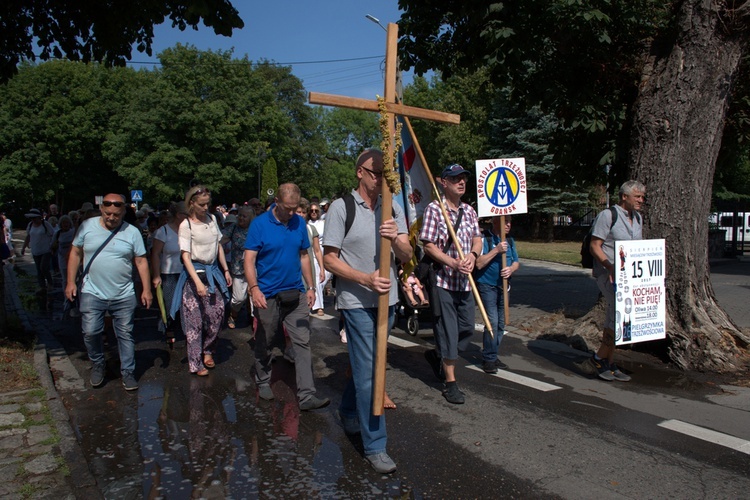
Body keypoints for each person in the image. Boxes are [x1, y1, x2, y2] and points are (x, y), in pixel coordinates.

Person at [323, 149, 412, 474]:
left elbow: (406, 253)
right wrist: (364, 279)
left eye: (385, 173)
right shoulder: (340, 207)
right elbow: (329, 259)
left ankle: (348, 412)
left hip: (388, 302)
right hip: (357, 302)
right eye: (376, 172)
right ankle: (375, 445)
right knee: (371, 372)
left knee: (366, 365)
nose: (382, 178)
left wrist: (396, 240)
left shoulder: (393, 208)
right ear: (360, 172)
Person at [244, 183, 330, 411]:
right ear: (277, 202)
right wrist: (254, 288)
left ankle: (307, 396)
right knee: (266, 340)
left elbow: (304, 256)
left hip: (296, 293)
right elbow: (249, 259)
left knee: (302, 342)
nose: (292, 213)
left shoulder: (299, 223)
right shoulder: (260, 224)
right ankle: (263, 380)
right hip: (268, 294)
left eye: (295, 208)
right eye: (287, 208)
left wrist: (310, 287)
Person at [65, 194, 153, 390]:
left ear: (123, 212)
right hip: (92, 290)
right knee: (90, 331)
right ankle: (98, 363)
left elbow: (141, 261)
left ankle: (128, 372)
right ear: (101, 210)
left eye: (116, 214)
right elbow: (75, 253)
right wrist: (70, 282)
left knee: (125, 334)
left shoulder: (132, 232)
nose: (111, 217)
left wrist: (146, 289)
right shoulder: (87, 227)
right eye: (108, 213)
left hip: (123, 293)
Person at [419, 164, 483, 404]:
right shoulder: (435, 210)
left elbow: (478, 239)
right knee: (448, 330)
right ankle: (450, 382)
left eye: (464, 178)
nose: (461, 182)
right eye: (455, 178)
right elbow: (428, 245)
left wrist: (473, 256)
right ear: (443, 182)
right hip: (444, 280)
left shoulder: (469, 211)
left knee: (467, 328)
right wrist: (452, 263)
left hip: (466, 283)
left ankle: (440, 355)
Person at [580, 180, 646, 382]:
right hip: (607, 275)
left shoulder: (638, 218)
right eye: (637, 196)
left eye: (642, 197)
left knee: (617, 318)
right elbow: (595, 246)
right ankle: (598, 358)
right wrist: (609, 266)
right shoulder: (608, 216)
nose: (641, 200)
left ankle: (606, 360)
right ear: (624, 196)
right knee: (616, 317)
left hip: (629, 279)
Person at [171, 186, 231, 376]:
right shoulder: (186, 225)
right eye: (202, 204)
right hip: (194, 275)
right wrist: (197, 282)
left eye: (208, 204)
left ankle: (208, 350)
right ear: (192, 204)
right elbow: (186, 257)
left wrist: (226, 270)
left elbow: (218, 246)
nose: (206, 207)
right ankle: (196, 363)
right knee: (194, 322)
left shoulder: (213, 219)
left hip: (213, 273)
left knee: (216, 316)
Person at [474, 216, 520, 373]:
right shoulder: (485, 238)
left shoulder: (510, 241)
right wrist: (496, 250)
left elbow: (516, 261)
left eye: (509, 222)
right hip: (487, 285)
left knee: (501, 323)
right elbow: (478, 263)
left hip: (503, 286)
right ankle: (489, 358)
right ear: (495, 223)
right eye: (504, 221)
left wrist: (511, 269)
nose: (508, 225)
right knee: (492, 321)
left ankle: (492, 354)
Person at [151, 202, 189, 345]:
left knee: (187, 304)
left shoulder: (189, 230)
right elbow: (155, 254)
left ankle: (188, 332)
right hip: (169, 273)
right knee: (170, 304)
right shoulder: (163, 231)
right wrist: (156, 275)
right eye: (187, 214)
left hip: (187, 272)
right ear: (179, 215)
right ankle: (169, 327)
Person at [220, 205, 254, 329]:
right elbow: (220, 241)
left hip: (255, 269)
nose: (241, 218)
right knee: (239, 298)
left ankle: (254, 321)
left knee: (254, 296)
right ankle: (233, 315)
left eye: (244, 216)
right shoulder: (233, 228)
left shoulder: (256, 229)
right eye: (239, 215)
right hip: (238, 268)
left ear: (251, 218)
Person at [21, 208, 54, 291]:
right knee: (38, 269)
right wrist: (23, 247)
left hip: (46, 250)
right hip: (35, 250)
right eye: (32, 218)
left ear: (39, 217)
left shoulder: (45, 224)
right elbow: (28, 236)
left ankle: (50, 283)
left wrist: (53, 246)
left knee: (43, 267)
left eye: (35, 218)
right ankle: (42, 286)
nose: (34, 220)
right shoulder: (30, 225)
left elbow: (53, 235)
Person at [53, 215, 76, 292]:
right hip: (62, 258)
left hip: (73, 258)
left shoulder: (74, 232)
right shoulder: (57, 234)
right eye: (63, 223)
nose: (65, 224)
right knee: (65, 279)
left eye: (67, 223)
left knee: (74, 278)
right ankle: (66, 297)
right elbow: (52, 246)